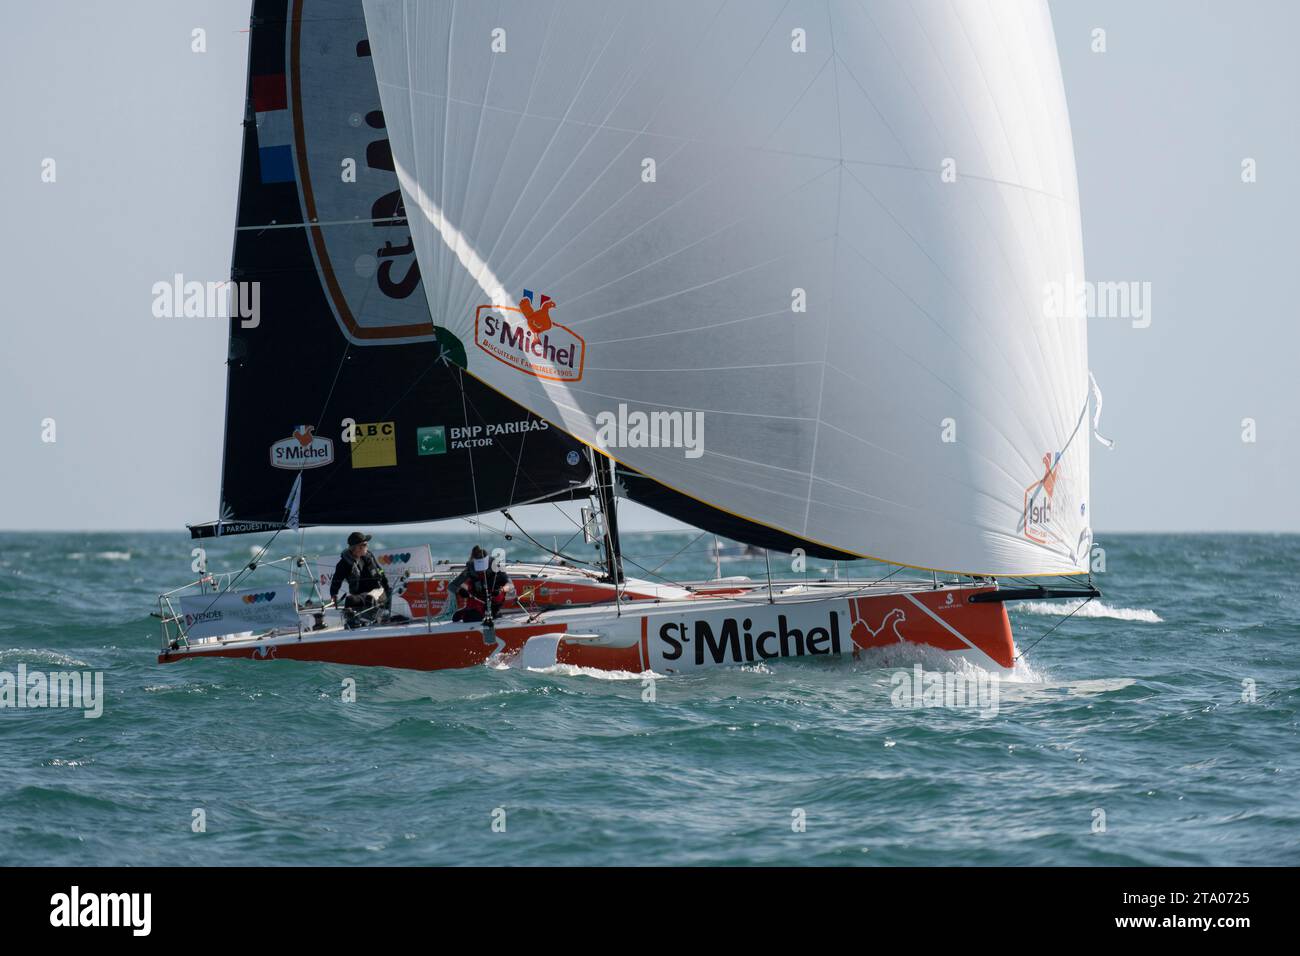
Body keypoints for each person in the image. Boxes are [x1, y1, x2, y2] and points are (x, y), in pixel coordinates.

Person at [330, 532, 391, 627]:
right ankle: (352, 622)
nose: (367, 546)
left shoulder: (369, 555)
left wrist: (387, 588)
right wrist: (333, 594)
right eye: (365, 544)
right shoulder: (344, 563)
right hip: (360, 594)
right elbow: (336, 579)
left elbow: (380, 571)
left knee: (370, 598)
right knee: (350, 600)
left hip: (378, 591)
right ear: (357, 548)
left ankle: (374, 619)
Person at [448, 545, 512, 623]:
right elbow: (451, 586)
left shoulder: (496, 566)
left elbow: (510, 585)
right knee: (456, 617)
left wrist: (501, 589)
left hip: (493, 600)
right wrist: (460, 591)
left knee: (471, 618)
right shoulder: (469, 569)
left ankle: (493, 613)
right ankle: (469, 611)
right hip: (477, 600)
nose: (481, 571)